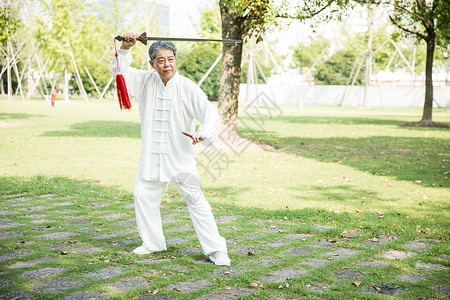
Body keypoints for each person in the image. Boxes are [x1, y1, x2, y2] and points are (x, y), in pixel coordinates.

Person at [111, 33, 230, 266]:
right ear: (152, 63)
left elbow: (210, 113)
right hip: (152, 157)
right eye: (161, 60)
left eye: (171, 59)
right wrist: (124, 49)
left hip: (180, 158)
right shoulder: (145, 81)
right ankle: (153, 243)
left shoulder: (187, 87)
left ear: (176, 59)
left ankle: (216, 250)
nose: (167, 64)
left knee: (197, 201)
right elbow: (121, 74)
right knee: (142, 196)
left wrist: (203, 133)